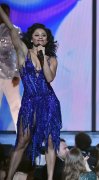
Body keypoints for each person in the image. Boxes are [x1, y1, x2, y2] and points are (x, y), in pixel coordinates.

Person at [0, 6, 62, 180]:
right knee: (22, 141)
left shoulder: (52, 59)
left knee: (50, 142)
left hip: (49, 102)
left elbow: (49, 79)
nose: (40, 37)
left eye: (43, 35)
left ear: (47, 38)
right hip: (29, 102)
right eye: (37, 35)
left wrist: (43, 59)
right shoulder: (23, 53)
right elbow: (11, 28)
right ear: (31, 38)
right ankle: (9, 177)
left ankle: (50, 178)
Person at [0, 3, 21, 132]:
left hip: (10, 75)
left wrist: (17, 73)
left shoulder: (14, 30)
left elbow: (19, 52)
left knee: (16, 106)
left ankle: (22, 139)